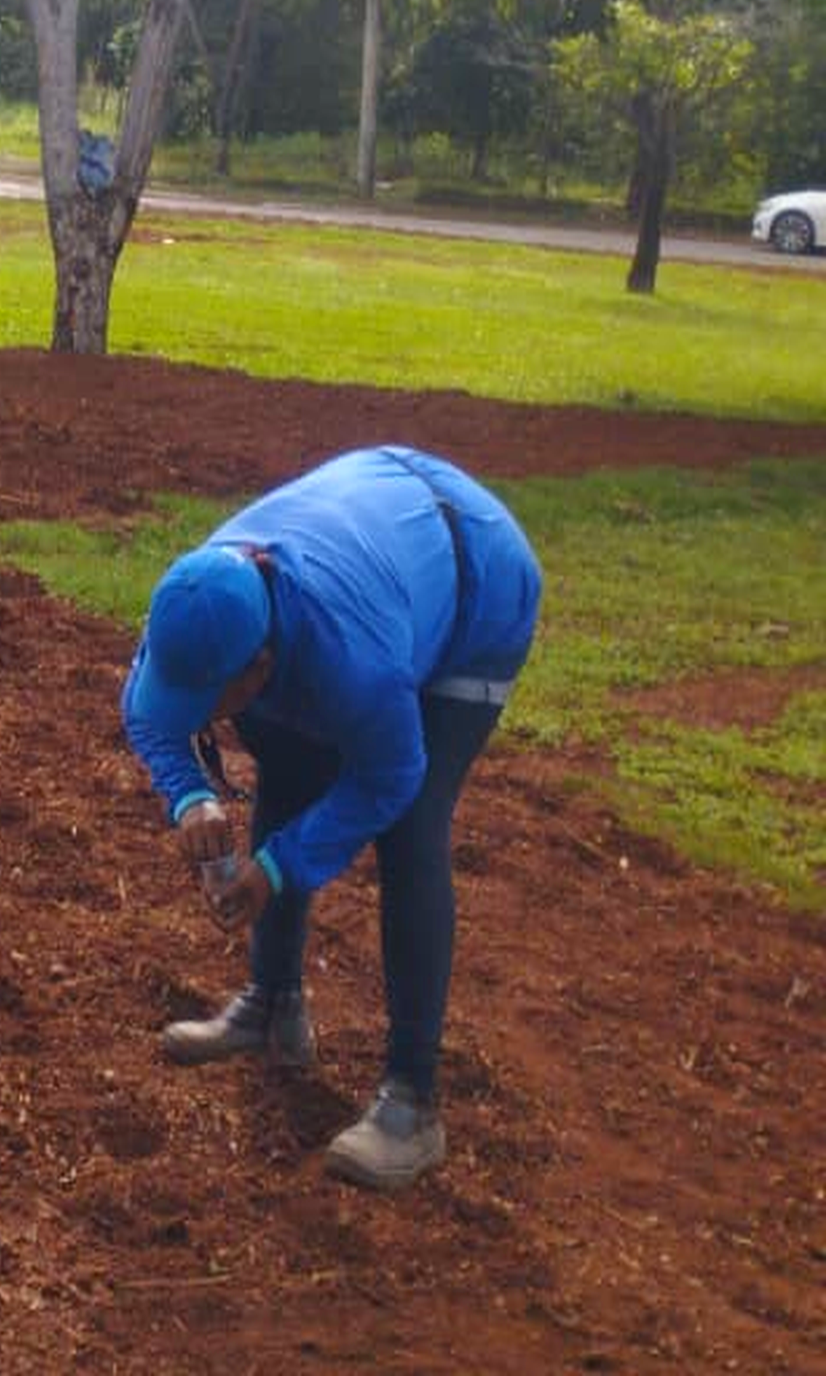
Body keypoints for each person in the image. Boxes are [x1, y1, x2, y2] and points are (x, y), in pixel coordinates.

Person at [120, 445, 543, 1192]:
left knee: (412, 825)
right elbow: (147, 709)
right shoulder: (198, 598)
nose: (198, 716)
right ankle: (272, 1005)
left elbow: (388, 775)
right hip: (381, 538)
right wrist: (189, 793)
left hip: (480, 577)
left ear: (257, 668)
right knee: (284, 758)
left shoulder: (356, 663)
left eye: (208, 702)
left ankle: (413, 1103)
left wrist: (280, 868)